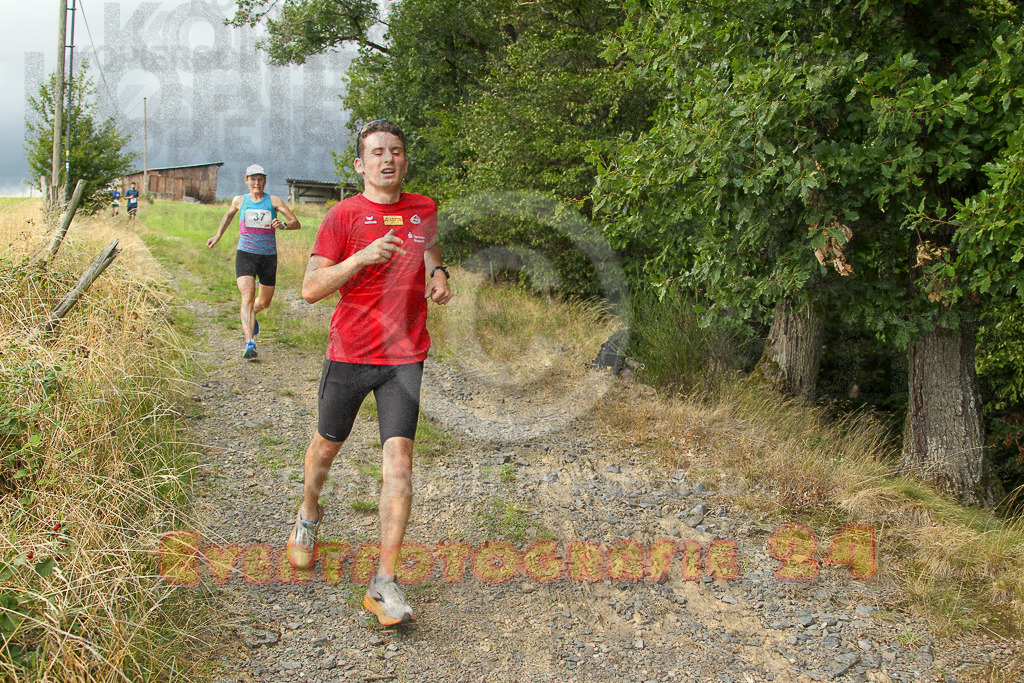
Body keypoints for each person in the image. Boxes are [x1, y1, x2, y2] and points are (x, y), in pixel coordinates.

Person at [286, 120, 452, 626]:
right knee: (325, 449)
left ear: (405, 161)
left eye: (396, 152)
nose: (388, 159)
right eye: (377, 152)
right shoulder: (343, 216)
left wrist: (440, 272)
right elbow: (310, 289)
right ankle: (309, 512)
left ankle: (384, 582)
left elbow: (428, 245)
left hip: (405, 358)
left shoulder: (424, 209)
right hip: (351, 354)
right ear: (360, 164)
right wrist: (359, 257)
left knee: (399, 463)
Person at [206, 164, 300, 359]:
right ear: (246, 180)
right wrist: (217, 235)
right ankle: (250, 342)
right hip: (246, 253)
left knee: (264, 302)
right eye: (253, 179)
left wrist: (283, 225)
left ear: (264, 181)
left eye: (260, 179)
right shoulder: (239, 200)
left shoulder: (274, 201)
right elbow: (228, 215)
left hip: (268, 256)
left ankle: (251, 314)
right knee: (247, 295)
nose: (256, 183)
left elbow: (296, 223)